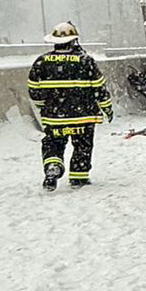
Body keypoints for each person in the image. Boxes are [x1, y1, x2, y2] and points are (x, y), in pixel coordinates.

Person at [27, 21, 113, 191]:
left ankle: (53, 166)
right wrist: (107, 108)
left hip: (54, 117)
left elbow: (33, 90)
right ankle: (79, 176)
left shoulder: (41, 62)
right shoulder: (86, 61)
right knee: (82, 145)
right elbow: (99, 87)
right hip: (83, 116)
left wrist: (45, 107)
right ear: (74, 41)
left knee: (53, 143)